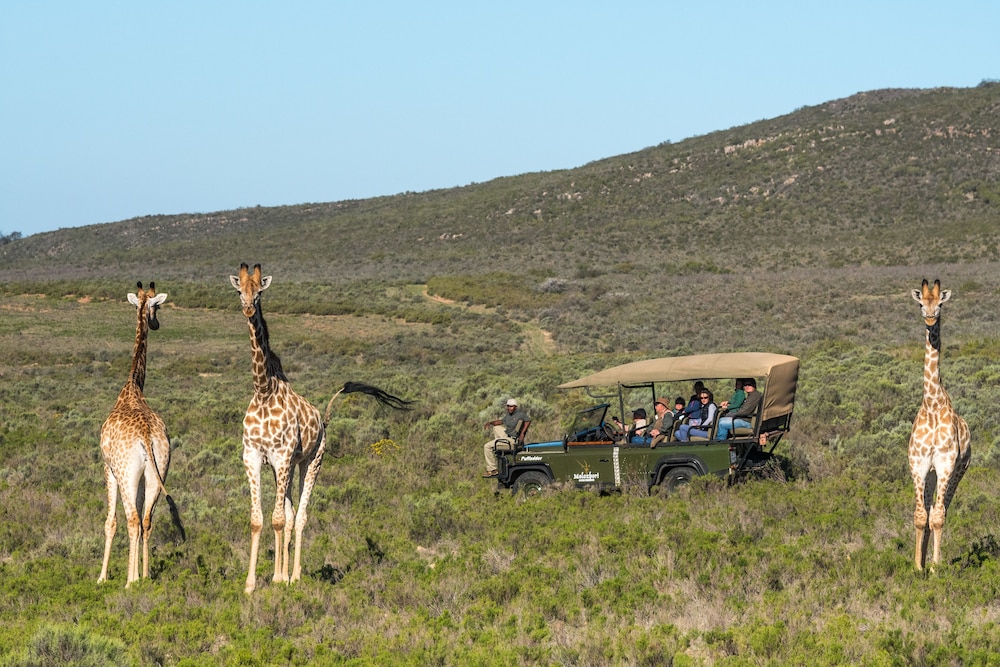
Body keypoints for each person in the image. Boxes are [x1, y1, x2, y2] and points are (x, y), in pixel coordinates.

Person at [482, 398, 529, 478]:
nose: (509, 408)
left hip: (512, 440)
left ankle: (492, 469)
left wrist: (522, 433)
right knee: (496, 427)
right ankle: (499, 444)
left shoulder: (520, 414)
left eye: (511, 406)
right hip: (508, 436)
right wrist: (490, 423)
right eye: (508, 406)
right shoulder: (509, 416)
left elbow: (528, 421)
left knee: (487, 446)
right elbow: (500, 421)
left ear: (515, 407)